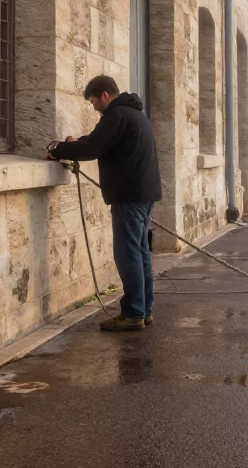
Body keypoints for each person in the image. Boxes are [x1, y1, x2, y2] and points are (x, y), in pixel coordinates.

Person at [47, 75, 161, 332]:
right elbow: (98, 140)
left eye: (94, 101)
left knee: (127, 254)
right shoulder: (134, 115)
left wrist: (58, 150)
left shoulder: (117, 116)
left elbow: (93, 147)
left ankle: (133, 314)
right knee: (141, 253)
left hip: (129, 197)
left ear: (105, 96)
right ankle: (144, 309)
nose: (94, 107)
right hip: (143, 194)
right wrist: (74, 145)